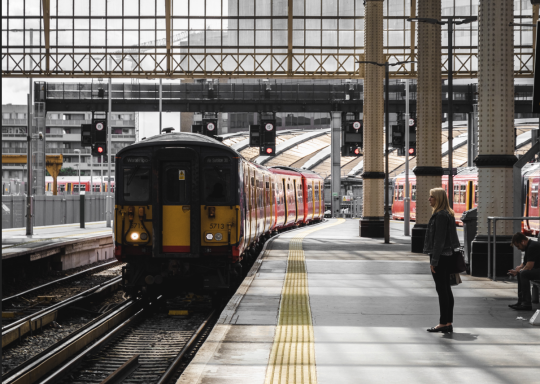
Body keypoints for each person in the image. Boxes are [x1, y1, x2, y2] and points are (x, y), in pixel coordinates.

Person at [423, 187, 461, 333]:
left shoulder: (440, 216)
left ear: (438, 199)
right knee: (446, 290)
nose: (429, 199)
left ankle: (443, 323)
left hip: (440, 257)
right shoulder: (448, 214)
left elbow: (439, 241)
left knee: (442, 290)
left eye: (431, 197)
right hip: (448, 255)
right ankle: (448, 322)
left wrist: (434, 261)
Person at [508, 232, 540, 311]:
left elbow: (529, 266)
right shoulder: (529, 246)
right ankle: (521, 302)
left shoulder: (532, 247)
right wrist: (518, 269)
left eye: (518, 246)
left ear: (522, 241)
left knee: (523, 273)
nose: (518, 248)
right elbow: (525, 262)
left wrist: (520, 270)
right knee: (522, 273)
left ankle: (526, 304)